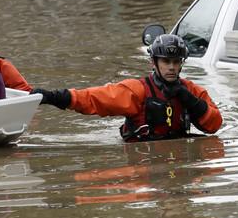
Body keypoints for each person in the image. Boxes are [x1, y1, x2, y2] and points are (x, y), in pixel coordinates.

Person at [32, 34, 223, 142]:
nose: (171, 67)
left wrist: (187, 98)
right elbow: (93, 99)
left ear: (181, 64)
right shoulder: (136, 91)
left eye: (175, 62)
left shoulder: (193, 90)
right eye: (166, 61)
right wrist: (52, 96)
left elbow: (214, 125)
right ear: (153, 63)